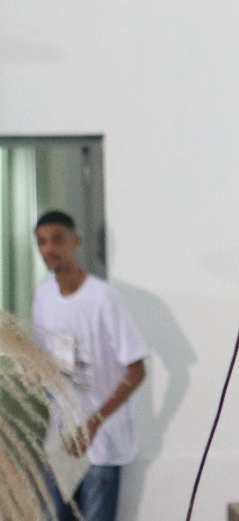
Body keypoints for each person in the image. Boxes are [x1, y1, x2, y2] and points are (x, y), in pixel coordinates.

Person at [31, 211, 148, 521]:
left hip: (103, 444)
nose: (49, 248)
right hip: (61, 443)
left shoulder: (103, 298)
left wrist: (94, 423)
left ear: (76, 241)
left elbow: (137, 370)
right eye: (42, 242)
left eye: (57, 239)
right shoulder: (43, 295)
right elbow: (42, 360)